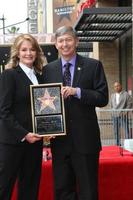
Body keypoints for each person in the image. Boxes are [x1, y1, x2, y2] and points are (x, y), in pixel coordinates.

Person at [43, 26, 108, 200]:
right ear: (56, 44)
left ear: (76, 42)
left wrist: (77, 91)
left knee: (88, 191)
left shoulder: (93, 65)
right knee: (63, 191)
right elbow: (43, 104)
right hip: (60, 143)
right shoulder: (48, 70)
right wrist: (45, 132)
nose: (65, 44)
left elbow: (102, 98)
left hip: (86, 142)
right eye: (61, 40)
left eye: (68, 39)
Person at [0, 34, 46, 200]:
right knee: (4, 187)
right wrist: (24, 134)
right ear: (17, 53)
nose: (29, 53)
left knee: (30, 188)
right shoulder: (9, 75)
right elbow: (3, 111)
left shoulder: (40, 77)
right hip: (13, 142)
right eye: (24, 49)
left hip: (35, 142)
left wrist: (49, 130)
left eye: (32, 49)